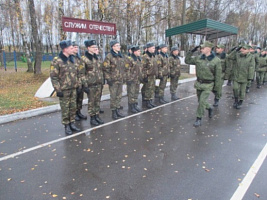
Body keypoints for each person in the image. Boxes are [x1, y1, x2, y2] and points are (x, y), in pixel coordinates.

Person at [185, 41, 222, 127]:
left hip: (208, 84)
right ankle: (209, 108)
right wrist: (191, 51)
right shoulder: (199, 58)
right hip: (199, 83)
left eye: (203, 48)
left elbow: (218, 75)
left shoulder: (216, 60)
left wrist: (216, 89)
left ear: (209, 49)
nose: (201, 50)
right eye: (200, 48)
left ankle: (199, 118)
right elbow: (187, 60)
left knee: (202, 101)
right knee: (200, 101)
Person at [50, 40, 81, 135]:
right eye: (71, 48)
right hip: (64, 89)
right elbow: (54, 77)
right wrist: (58, 90)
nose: (73, 49)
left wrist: (79, 85)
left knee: (73, 107)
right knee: (65, 108)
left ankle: (72, 123)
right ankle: (66, 125)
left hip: (73, 88)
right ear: (65, 49)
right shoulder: (57, 60)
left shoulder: (73, 59)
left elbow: (77, 74)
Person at [82, 40, 104, 126]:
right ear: (88, 48)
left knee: (97, 101)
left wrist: (102, 80)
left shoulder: (96, 57)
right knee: (91, 102)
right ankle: (92, 117)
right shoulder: (84, 59)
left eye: (96, 47)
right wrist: (85, 85)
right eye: (93, 47)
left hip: (98, 83)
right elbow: (81, 73)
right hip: (90, 84)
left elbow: (100, 70)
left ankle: (97, 116)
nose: (95, 49)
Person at [102, 40, 126, 120]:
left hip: (120, 79)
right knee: (113, 96)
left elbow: (123, 68)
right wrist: (108, 79)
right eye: (117, 45)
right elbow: (105, 69)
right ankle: (113, 112)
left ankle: (118, 109)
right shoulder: (109, 56)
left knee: (119, 96)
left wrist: (124, 76)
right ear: (113, 47)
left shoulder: (120, 56)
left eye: (119, 45)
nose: (119, 47)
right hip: (113, 80)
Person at [227, 44, 255, 109]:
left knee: (242, 91)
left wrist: (250, 77)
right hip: (236, 76)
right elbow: (229, 57)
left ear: (248, 50)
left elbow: (251, 67)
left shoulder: (251, 57)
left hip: (245, 76)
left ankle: (240, 101)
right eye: (242, 48)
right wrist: (236, 50)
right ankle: (236, 100)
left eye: (244, 49)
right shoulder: (237, 55)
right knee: (235, 88)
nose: (242, 50)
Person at [72, 41, 88, 121]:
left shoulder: (79, 58)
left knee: (80, 99)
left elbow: (82, 71)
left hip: (80, 83)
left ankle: (78, 112)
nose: (76, 49)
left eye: (77, 47)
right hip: (74, 83)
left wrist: (83, 83)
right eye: (74, 47)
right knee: (74, 100)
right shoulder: (70, 58)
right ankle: (74, 114)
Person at [125, 45, 143, 113]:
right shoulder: (129, 59)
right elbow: (126, 70)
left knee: (136, 93)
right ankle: (131, 107)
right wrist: (129, 79)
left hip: (137, 79)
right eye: (138, 51)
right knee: (131, 94)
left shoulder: (138, 58)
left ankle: (135, 105)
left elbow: (140, 69)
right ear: (134, 52)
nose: (140, 52)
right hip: (132, 80)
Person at [141, 42, 158, 108]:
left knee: (151, 89)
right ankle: (147, 102)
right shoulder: (145, 57)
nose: (154, 48)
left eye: (154, 47)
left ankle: (150, 101)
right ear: (148, 48)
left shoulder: (153, 56)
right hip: (148, 76)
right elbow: (143, 68)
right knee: (147, 89)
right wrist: (145, 76)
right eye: (152, 47)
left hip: (152, 75)